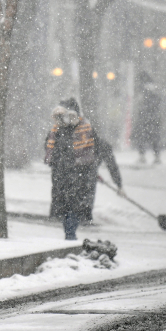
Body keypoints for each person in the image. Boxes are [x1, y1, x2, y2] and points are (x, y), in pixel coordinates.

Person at [44, 98, 95, 240]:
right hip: (61, 174)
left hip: (78, 175)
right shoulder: (56, 130)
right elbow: (49, 148)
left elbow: (93, 151)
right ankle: (69, 233)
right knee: (65, 205)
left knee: (74, 205)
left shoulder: (85, 129)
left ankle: (70, 233)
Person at [132, 72, 162, 164]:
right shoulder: (155, 89)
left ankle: (142, 156)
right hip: (154, 117)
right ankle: (156, 156)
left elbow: (142, 103)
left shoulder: (143, 90)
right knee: (154, 137)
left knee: (141, 136)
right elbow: (158, 102)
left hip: (144, 117)